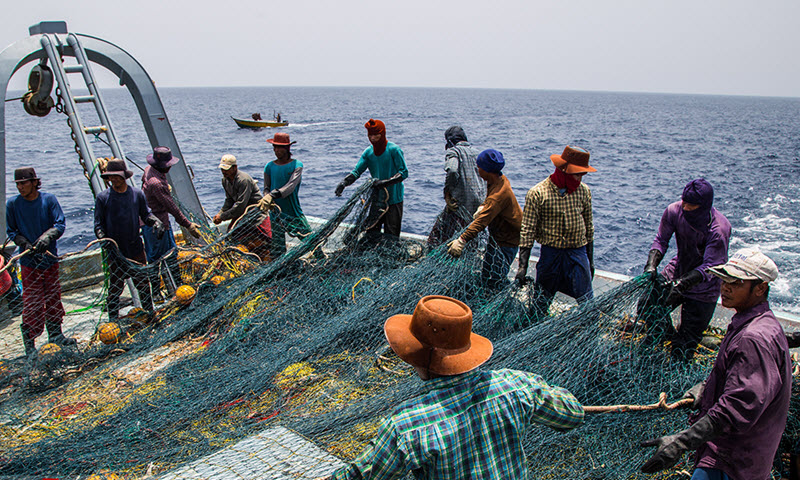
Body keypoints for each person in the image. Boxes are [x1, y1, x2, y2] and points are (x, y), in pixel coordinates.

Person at [316, 295, 584, 480]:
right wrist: (536, 394)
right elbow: (572, 414)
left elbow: (367, 475)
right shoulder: (516, 386)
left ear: (415, 357)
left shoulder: (406, 426)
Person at [640, 247, 791, 480]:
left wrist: (680, 443)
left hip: (729, 462)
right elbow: (743, 382)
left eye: (737, 282)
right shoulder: (763, 323)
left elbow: (738, 406)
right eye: (724, 279)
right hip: (740, 459)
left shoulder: (753, 338)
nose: (726, 287)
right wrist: (706, 388)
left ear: (761, 288)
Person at [638, 178, 732, 361]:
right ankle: (664, 335)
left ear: (704, 207)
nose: (686, 208)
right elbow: (661, 240)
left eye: (692, 206)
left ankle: (677, 354)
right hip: (679, 267)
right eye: (684, 203)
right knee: (646, 305)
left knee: (684, 345)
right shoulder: (674, 211)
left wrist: (681, 285)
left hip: (705, 285)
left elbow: (710, 267)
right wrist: (651, 264)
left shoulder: (718, 229)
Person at [515, 145, 596, 317]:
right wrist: (522, 266)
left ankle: (591, 333)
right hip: (551, 255)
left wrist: (590, 261)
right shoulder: (537, 194)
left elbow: (589, 228)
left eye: (583, 175)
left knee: (588, 304)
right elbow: (527, 231)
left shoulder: (584, 192)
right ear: (563, 170)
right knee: (540, 303)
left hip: (577, 253)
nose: (580, 179)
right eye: (577, 174)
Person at [5, 167, 72, 355]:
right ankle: (30, 346)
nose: (20, 187)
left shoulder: (48, 200)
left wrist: (48, 237)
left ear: (34, 182)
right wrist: (23, 243)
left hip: (49, 260)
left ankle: (56, 335)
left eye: (24, 183)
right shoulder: (12, 204)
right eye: (18, 184)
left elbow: (59, 224)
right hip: (28, 264)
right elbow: (12, 231)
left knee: (53, 298)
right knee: (32, 303)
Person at [94, 159, 164, 321]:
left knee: (143, 285)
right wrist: (102, 238)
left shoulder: (136, 194)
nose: (114, 179)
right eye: (111, 177)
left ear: (124, 176)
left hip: (135, 249)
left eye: (117, 176)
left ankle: (150, 315)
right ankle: (113, 321)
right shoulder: (103, 198)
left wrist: (155, 221)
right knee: (115, 288)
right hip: (115, 252)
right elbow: (98, 225)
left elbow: (145, 215)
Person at [447, 149, 522, 290]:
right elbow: (491, 202)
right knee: (488, 272)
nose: (477, 169)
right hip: (498, 236)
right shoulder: (499, 180)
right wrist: (484, 205)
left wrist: (462, 240)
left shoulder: (498, 196)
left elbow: (481, 223)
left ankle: (501, 299)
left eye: (479, 167)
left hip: (507, 241)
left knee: (495, 277)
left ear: (487, 171)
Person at [140, 146, 202, 299]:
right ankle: (157, 293)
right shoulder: (156, 183)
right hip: (155, 225)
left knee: (172, 253)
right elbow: (172, 207)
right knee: (155, 258)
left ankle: (178, 286)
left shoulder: (149, 170)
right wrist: (188, 225)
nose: (169, 167)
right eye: (168, 165)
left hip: (159, 222)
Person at [334, 119, 408, 238]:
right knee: (372, 232)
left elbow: (403, 173)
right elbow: (357, 172)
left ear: (382, 133)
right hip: (377, 199)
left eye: (376, 135)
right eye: (370, 135)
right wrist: (344, 183)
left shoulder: (394, 150)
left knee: (392, 234)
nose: (373, 138)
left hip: (394, 199)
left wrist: (384, 183)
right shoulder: (368, 153)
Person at [427, 125, 485, 247]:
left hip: (459, 204)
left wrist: (447, 193)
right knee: (469, 236)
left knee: (438, 236)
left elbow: (452, 170)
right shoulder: (477, 153)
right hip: (478, 204)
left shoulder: (454, 151)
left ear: (449, 141)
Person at [259, 133, 313, 257]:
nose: (276, 150)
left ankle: (322, 261)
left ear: (288, 148)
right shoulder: (269, 166)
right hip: (275, 214)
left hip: (292, 212)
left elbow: (290, 187)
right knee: (278, 249)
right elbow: (266, 188)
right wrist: (266, 198)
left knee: (310, 239)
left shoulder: (297, 165)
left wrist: (272, 195)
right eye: (275, 147)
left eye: (280, 147)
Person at [212, 154, 271, 258]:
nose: (223, 172)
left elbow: (240, 206)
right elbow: (229, 201)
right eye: (222, 169)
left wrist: (223, 217)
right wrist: (220, 214)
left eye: (226, 169)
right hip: (241, 214)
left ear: (235, 167)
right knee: (230, 236)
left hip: (256, 213)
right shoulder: (225, 180)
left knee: (269, 237)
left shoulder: (244, 180)